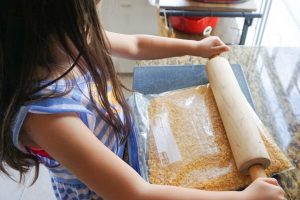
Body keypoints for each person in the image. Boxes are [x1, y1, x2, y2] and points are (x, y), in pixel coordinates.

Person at [0, 1, 286, 200]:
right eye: (86, 15)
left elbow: (135, 44)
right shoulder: (46, 117)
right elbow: (133, 194)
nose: (91, 25)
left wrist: (195, 47)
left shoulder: (73, 40)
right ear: (47, 24)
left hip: (128, 153)